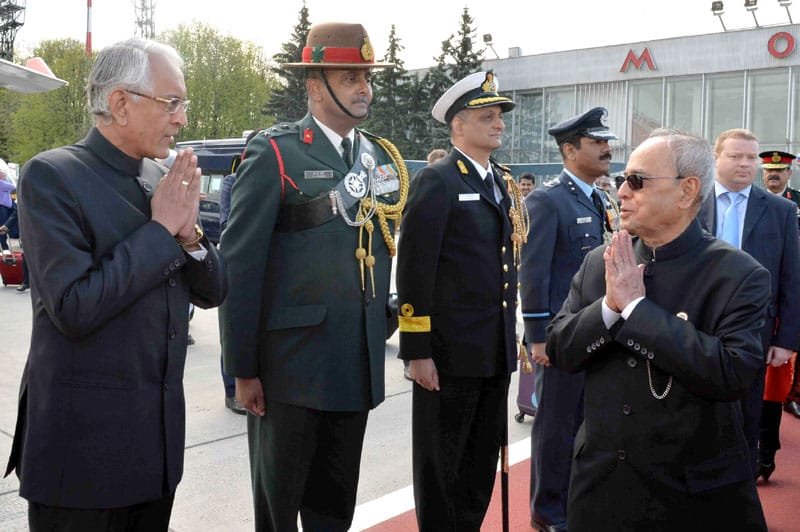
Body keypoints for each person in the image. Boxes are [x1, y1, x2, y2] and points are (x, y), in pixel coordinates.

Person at [3, 37, 227, 531]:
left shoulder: (159, 177)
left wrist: (189, 236)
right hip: (82, 458)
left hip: (154, 453)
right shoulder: (54, 176)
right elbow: (74, 307)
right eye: (173, 102)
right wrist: (160, 230)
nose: (182, 118)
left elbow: (212, 292)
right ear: (121, 103)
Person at [218, 22, 408, 531]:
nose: (364, 87)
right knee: (279, 509)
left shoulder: (374, 155)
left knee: (334, 508)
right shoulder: (276, 151)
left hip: (354, 360)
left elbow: (381, 245)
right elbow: (241, 263)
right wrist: (242, 367)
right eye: (350, 77)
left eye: (367, 76)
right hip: (291, 368)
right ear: (314, 84)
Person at [549, 130, 770, 531]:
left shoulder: (737, 274)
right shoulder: (602, 262)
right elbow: (560, 351)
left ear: (686, 191)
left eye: (637, 181)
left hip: (692, 496)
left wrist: (636, 309)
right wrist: (609, 307)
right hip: (602, 489)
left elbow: (733, 372)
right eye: (621, 180)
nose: (622, 192)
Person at [397, 70, 528, 530]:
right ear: (457, 126)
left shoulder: (501, 182)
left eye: (499, 117)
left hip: (492, 351)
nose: (498, 125)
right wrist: (417, 352)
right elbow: (415, 271)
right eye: (487, 116)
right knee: (441, 462)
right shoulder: (437, 180)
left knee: (479, 461)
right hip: (449, 355)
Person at [520, 107, 617, 532]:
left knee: (589, 424)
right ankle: (548, 509)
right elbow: (533, 272)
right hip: (561, 337)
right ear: (569, 149)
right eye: (597, 142)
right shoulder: (547, 199)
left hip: (598, 330)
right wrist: (538, 337)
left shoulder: (600, 197)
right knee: (556, 427)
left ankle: (578, 501)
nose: (607, 149)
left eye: (606, 142)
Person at [698, 130, 800, 482]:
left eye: (750, 158)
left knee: (744, 416)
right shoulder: (691, 201)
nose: (745, 164)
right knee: (693, 414)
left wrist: (786, 337)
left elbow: (791, 276)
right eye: (736, 156)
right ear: (716, 157)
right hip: (694, 324)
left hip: (753, 330)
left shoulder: (781, 210)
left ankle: (737, 498)